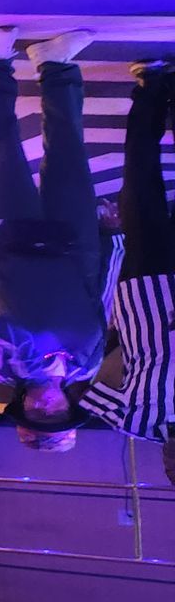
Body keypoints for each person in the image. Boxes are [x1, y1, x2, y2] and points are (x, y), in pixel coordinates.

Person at [0, 27, 107, 453]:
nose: (49, 407)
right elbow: (96, 301)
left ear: (24, 411)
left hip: (11, 248)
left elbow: (4, 318)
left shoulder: (0, 370)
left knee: (3, 149)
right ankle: (56, 64)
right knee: (69, 151)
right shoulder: (86, 366)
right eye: (58, 415)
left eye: (40, 416)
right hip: (75, 248)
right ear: (70, 407)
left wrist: (36, 366)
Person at [80, 63, 175, 484]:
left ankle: (152, 88)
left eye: (173, 467)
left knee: (139, 187)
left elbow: (84, 386)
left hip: (144, 291)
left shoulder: (132, 422)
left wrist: (117, 339)